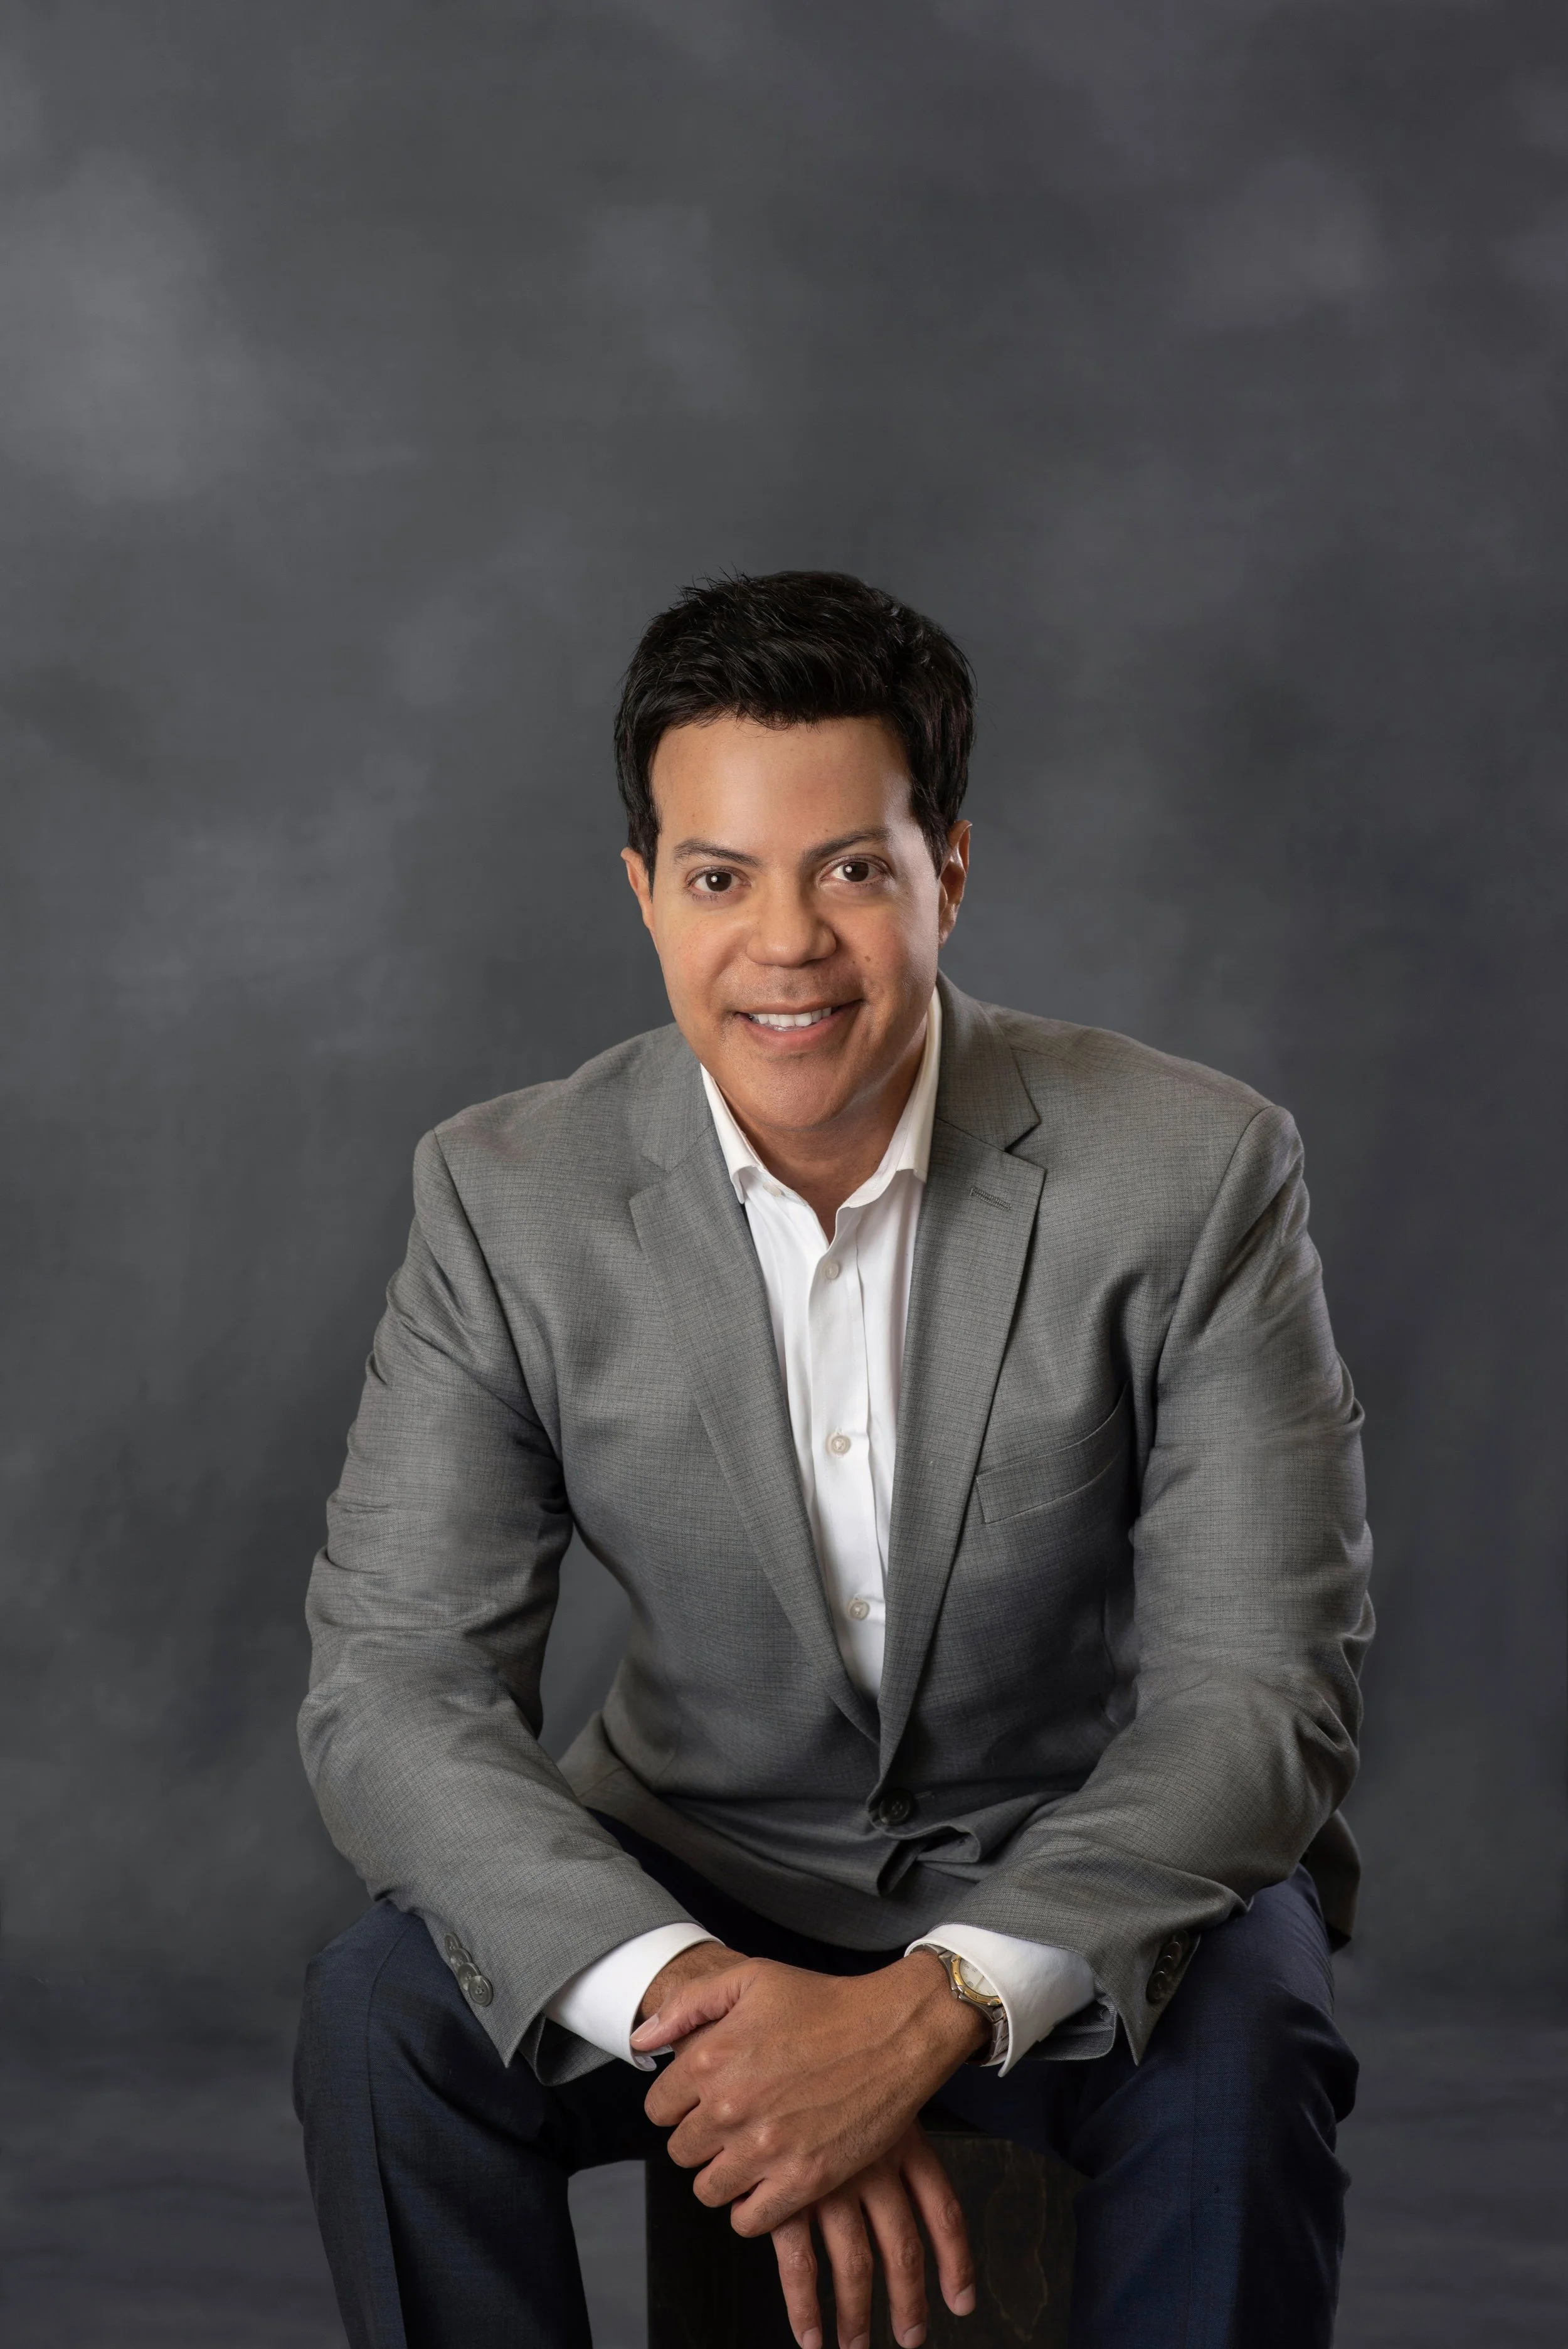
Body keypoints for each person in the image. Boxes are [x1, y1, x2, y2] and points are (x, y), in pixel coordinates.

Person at [294, 570, 1372, 2349]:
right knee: (376, 2019)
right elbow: (394, 1688)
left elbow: (1261, 1697)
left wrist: (930, 2010)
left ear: (946, 873)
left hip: (1075, 1856)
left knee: (1251, 2033)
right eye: (718, 876)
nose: (784, 943)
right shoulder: (508, 1198)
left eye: (850, 870)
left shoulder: (1191, 1173)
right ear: (644, 893)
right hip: (684, 1872)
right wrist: (714, 2005)